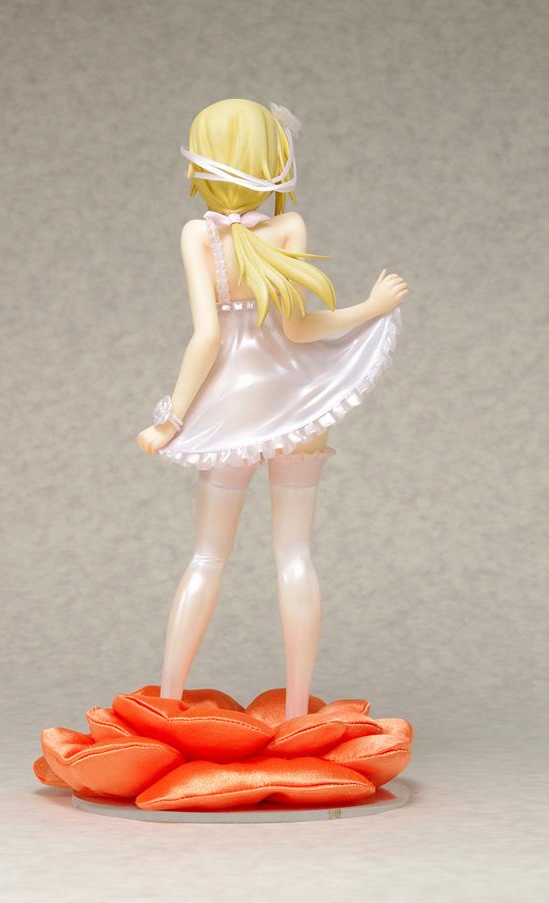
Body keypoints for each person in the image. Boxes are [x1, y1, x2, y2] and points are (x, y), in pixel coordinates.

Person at [137, 98, 408, 720]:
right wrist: (370, 308)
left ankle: (168, 702)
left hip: (231, 405)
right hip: (293, 399)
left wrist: (171, 420)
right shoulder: (288, 228)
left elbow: (207, 338)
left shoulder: (198, 235)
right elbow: (302, 329)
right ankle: (295, 713)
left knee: (208, 555)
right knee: (295, 555)